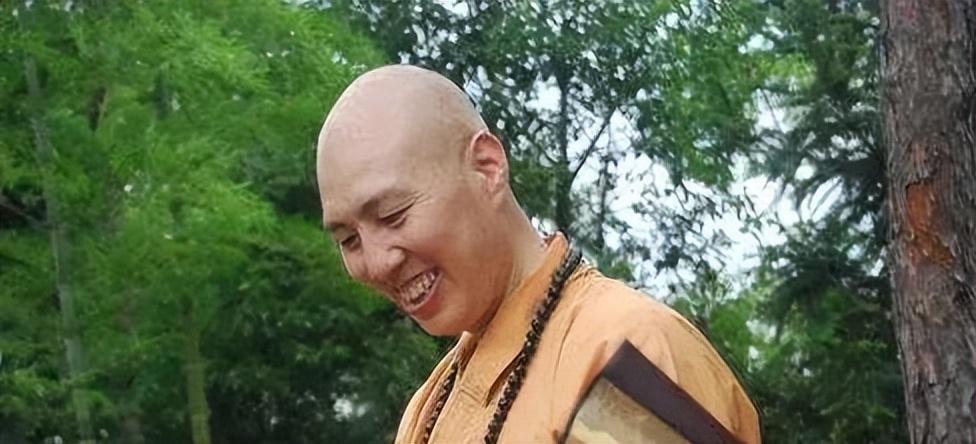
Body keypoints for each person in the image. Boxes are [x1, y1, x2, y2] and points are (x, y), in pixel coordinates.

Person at [316, 65, 760, 444]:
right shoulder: (429, 408)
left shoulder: (627, 350)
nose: (377, 263)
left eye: (392, 215)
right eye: (349, 240)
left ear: (487, 168)